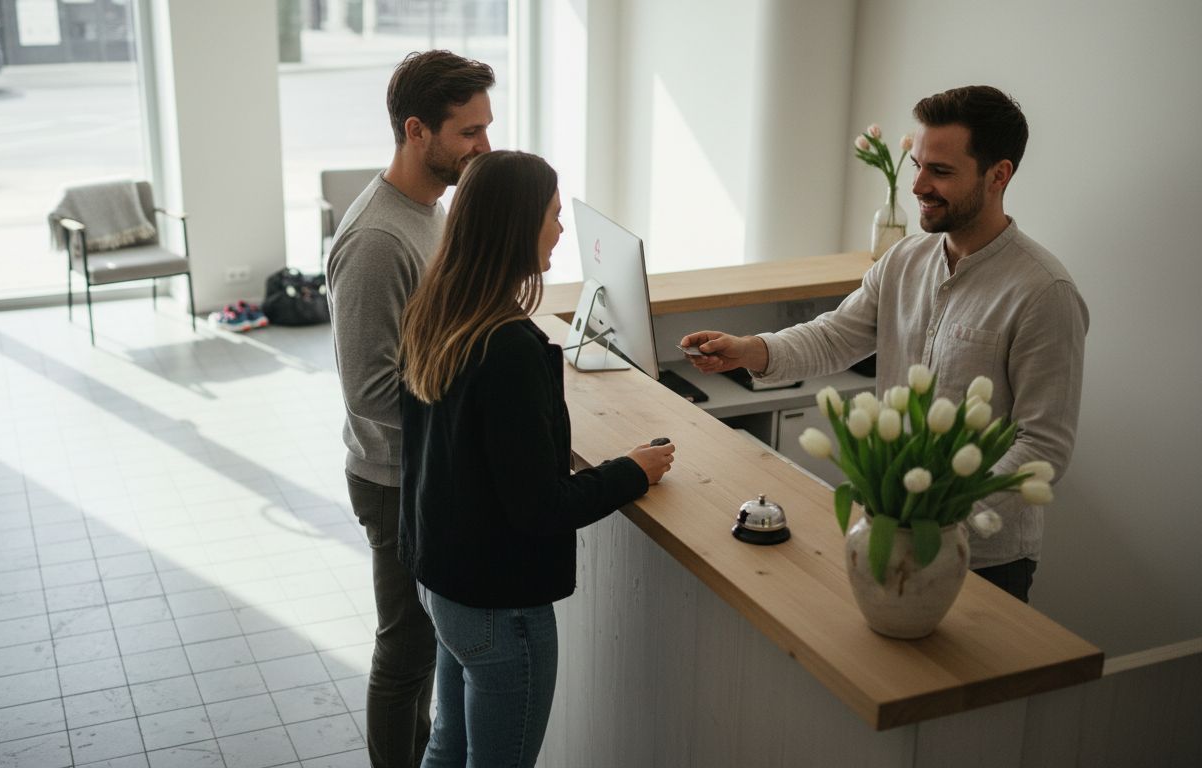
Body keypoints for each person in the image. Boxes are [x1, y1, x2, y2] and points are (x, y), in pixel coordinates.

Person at [681, 85, 1087, 603]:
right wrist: (749, 350)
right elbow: (834, 337)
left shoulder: (1044, 293)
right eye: (916, 164)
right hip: (888, 532)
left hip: (983, 562)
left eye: (940, 171)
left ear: (998, 176)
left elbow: (1043, 447)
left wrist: (936, 513)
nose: (918, 184)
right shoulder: (904, 261)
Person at [397, 150, 676, 766]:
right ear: (516, 226)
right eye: (552, 215)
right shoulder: (509, 348)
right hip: (501, 608)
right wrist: (633, 469)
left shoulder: (436, 312)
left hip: (443, 582)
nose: (560, 230)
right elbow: (540, 508)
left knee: (447, 745)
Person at [325, 50, 495, 768]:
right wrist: (473, 406)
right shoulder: (375, 240)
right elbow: (369, 391)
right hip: (396, 480)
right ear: (417, 131)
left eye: (487, 128)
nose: (484, 146)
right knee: (406, 654)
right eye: (470, 132)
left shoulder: (431, 209)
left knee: (428, 649)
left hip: (424, 472)